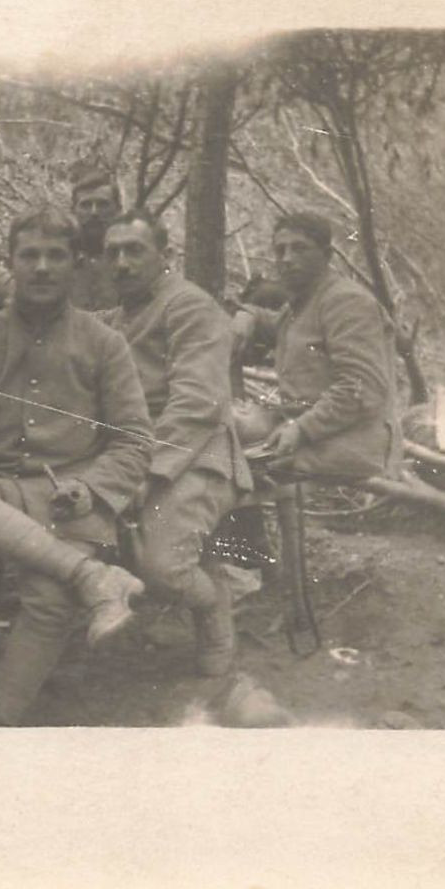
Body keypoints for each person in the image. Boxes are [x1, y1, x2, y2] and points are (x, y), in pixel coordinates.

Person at [0, 208, 154, 726]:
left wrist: (92, 489)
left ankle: (3, 722)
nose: (42, 268)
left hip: (68, 496)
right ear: (11, 263)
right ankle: (94, 578)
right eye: (30, 256)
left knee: (50, 598)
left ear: (76, 266)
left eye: (56, 256)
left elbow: (134, 440)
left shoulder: (105, 344)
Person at [99, 214, 251, 677]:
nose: (122, 263)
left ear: (165, 256)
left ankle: (214, 608)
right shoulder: (118, 315)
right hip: (135, 451)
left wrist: (144, 472)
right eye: (113, 253)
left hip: (196, 454)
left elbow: (198, 404)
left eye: (134, 250)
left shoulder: (191, 307)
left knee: (161, 568)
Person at [234, 212, 401, 481]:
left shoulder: (347, 302)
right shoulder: (306, 301)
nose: (287, 259)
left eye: (299, 248)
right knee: (221, 431)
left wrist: (302, 429)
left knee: (227, 461)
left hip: (355, 443)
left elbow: (360, 388)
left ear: (327, 255)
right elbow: (277, 324)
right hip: (315, 432)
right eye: (280, 250)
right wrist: (248, 314)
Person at [68, 166, 124, 311]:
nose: (94, 213)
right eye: (86, 205)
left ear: (118, 209)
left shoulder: (130, 261)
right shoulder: (60, 259)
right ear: (73, 210)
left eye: (102, 204)